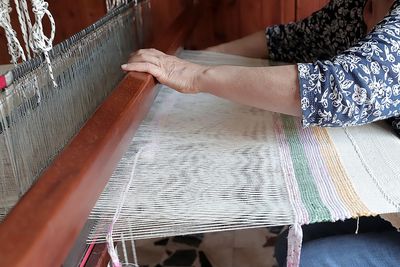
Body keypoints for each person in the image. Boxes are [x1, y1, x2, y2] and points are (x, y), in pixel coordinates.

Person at [122, 0, 400, 266]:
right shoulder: (356, 6)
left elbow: (340, 88)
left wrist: (198, 75)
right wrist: (197, 58)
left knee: (310, 261)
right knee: (289, 248)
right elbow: (294, 39)